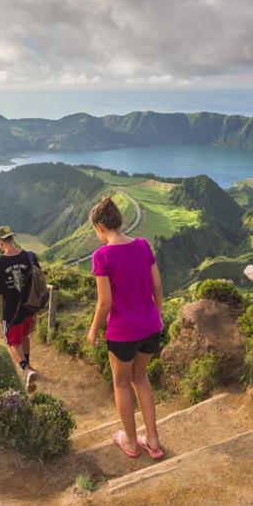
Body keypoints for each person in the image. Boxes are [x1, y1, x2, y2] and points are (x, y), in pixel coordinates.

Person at [86, 197, 165, 459]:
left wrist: (93, 330)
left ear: (99, 227)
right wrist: (157, 315)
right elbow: (157, 288)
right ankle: (153, 441)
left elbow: (105, 302)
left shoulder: (102, 256)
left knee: (121, 384)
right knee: (140, 378)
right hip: (150, 327)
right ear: (118, 221)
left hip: (122, 333)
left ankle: (130, 441)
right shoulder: (143, 246)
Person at [0, 225, 39, 393]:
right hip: (29, 307)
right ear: (12, 238)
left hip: (11, 311)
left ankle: (26, 370)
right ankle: (29, 364)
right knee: (25, 336)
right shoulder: (29, 256)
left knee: (13, 343)